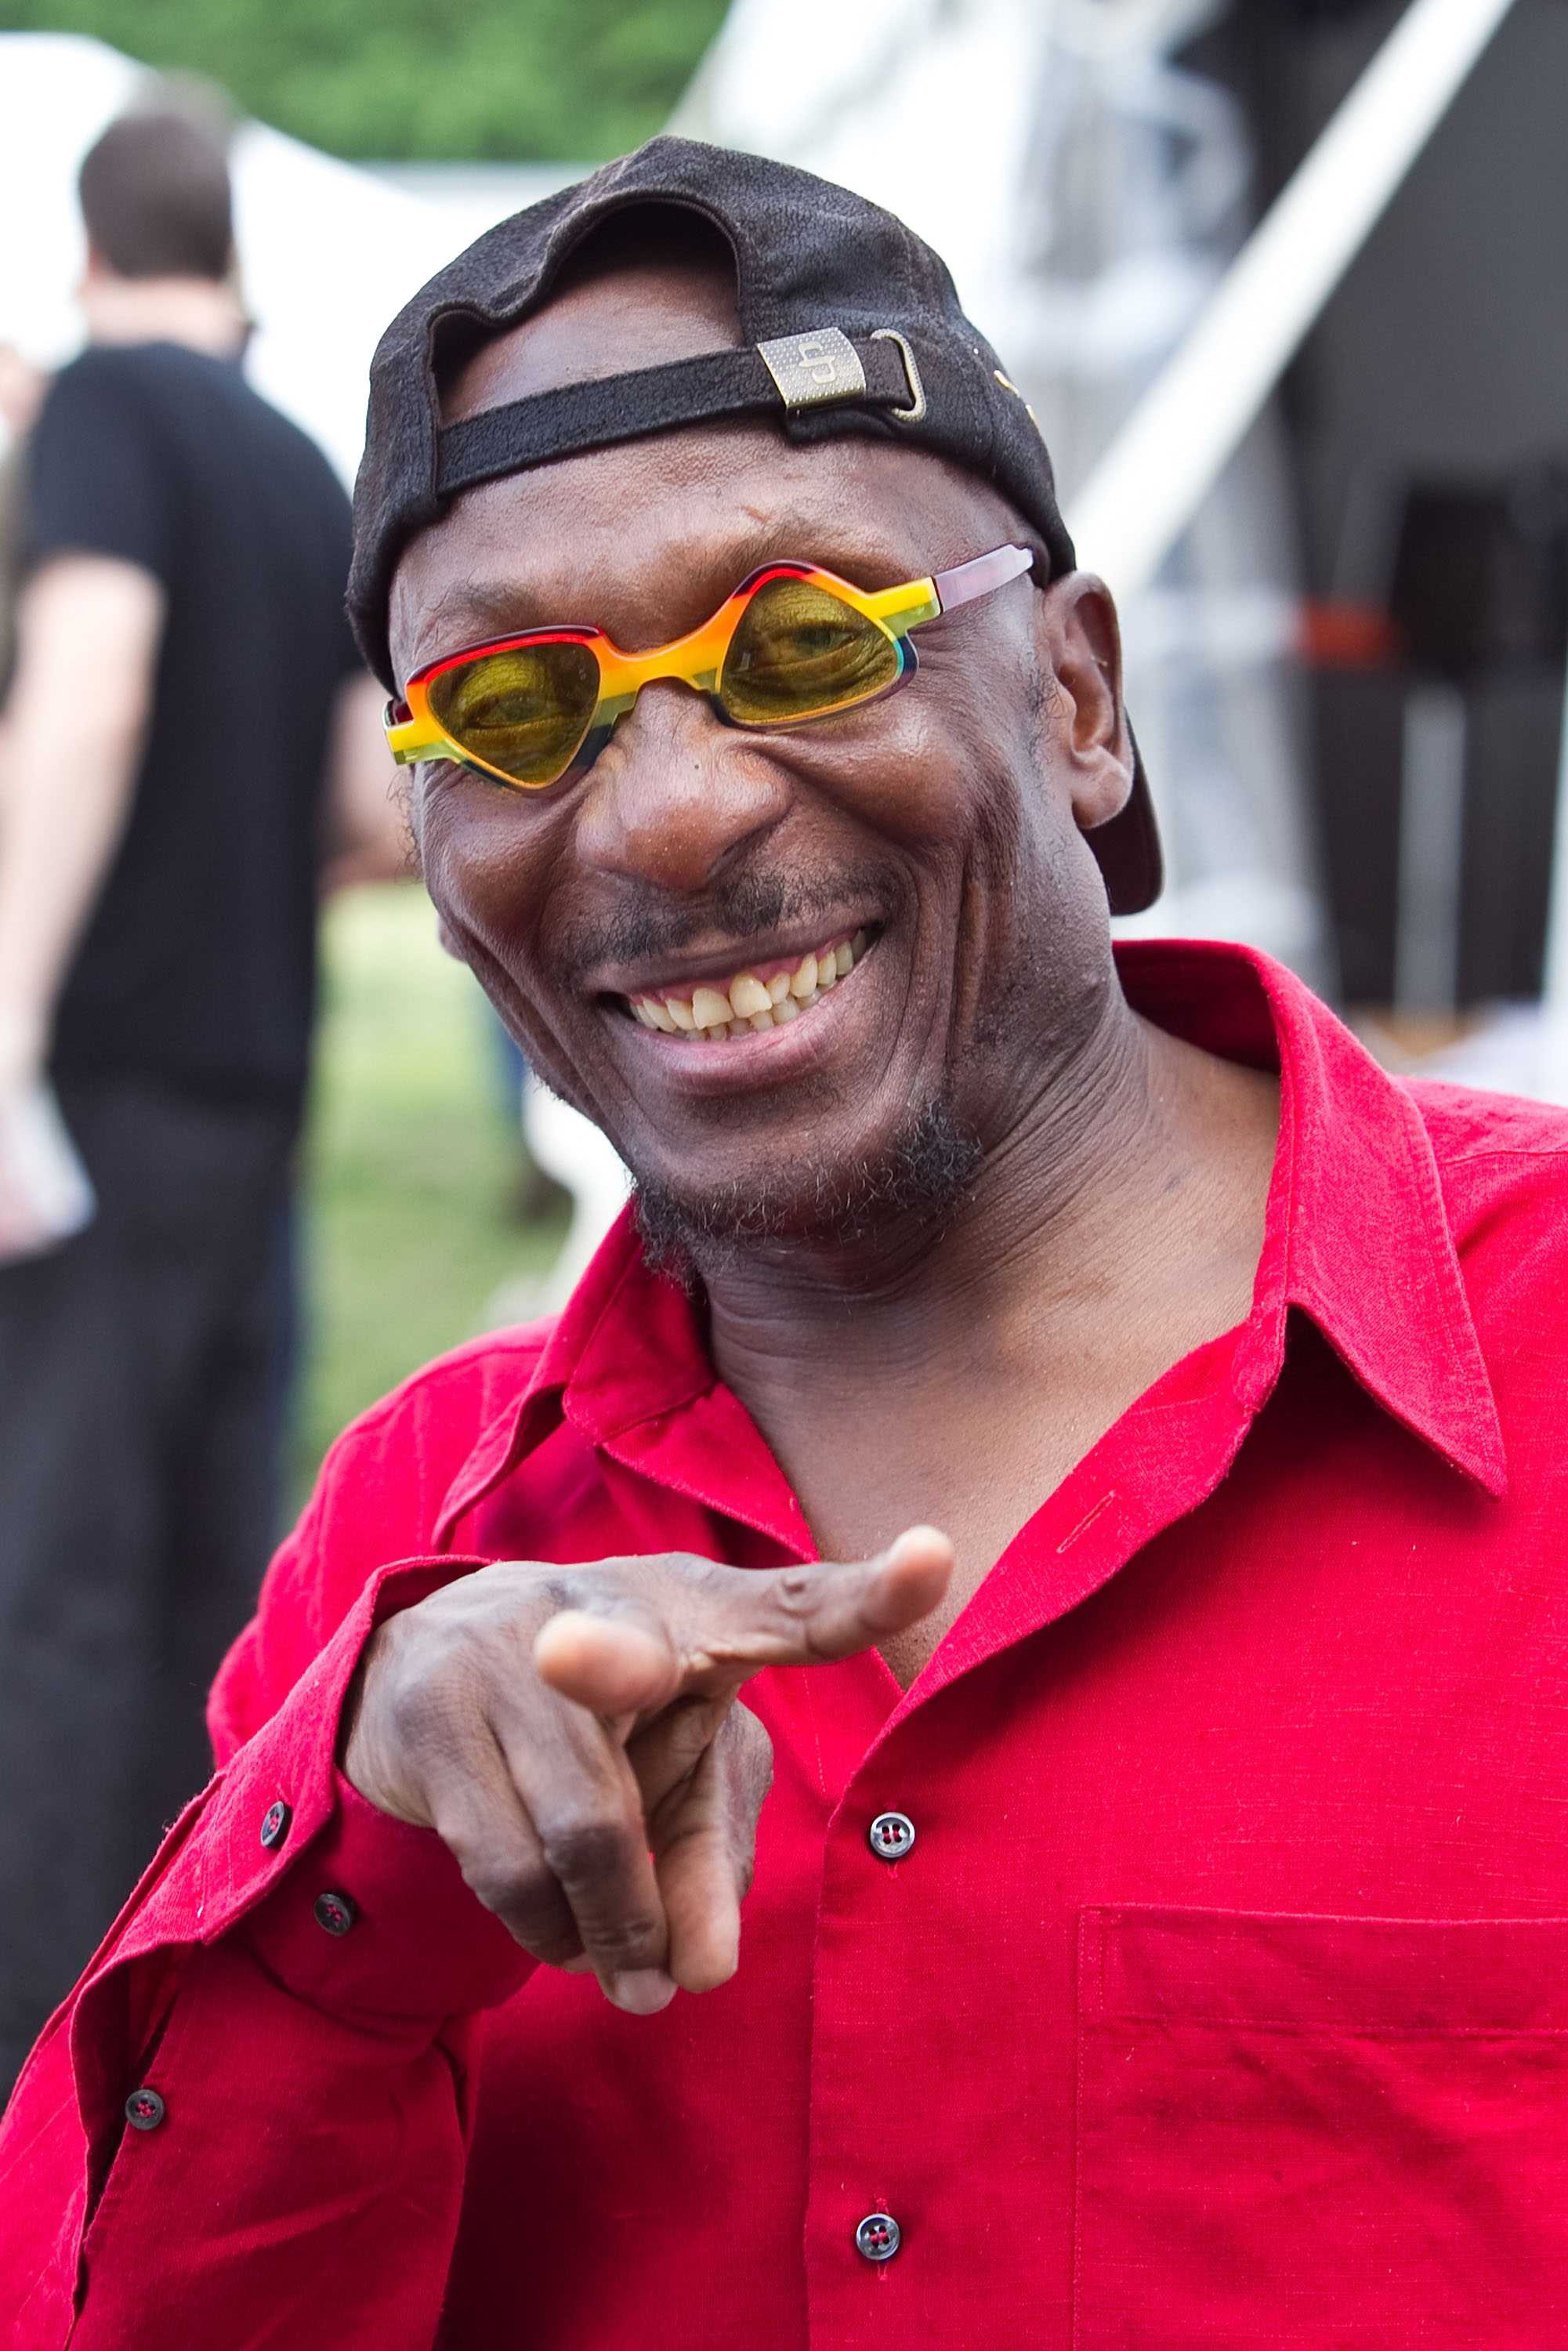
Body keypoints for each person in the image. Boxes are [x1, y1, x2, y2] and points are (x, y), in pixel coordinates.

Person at [3, 136, 1568, 2346]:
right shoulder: (413, 1550)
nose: (670, 807)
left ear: (1083, 698)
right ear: (432, 853)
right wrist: (351, 1894)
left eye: (808, 645)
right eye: (520, 715)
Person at [0, 107, 403, 2086]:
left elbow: (92, 689)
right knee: (194, 1575)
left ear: (82, 253)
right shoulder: (292, 454)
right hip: (258, 1082)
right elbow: (363, 805)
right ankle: (168, 2032)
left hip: (100, 1092)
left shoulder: (99, 415)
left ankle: (32, 2066)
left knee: (52, 1583)